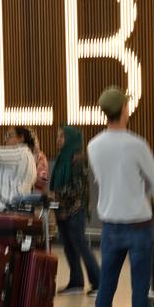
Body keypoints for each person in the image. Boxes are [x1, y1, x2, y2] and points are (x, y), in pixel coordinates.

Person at [88, 87, 154, 307]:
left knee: (106, 288)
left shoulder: (93, 145)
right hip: (139, 225)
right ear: (124, 110)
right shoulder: (136, 144)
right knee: (140, 290)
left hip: (110, 226)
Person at [51, 126, 101, 296]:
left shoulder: (78, 159)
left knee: (81, 245)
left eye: (62, 137)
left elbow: (77, 188)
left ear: (71, 139)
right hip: (62, 209)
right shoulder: (61, 158)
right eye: (57, 136)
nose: (58, 140)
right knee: (69, 247)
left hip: (75, 209)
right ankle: (76, 282)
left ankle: (99, 282)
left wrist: (55, 194)